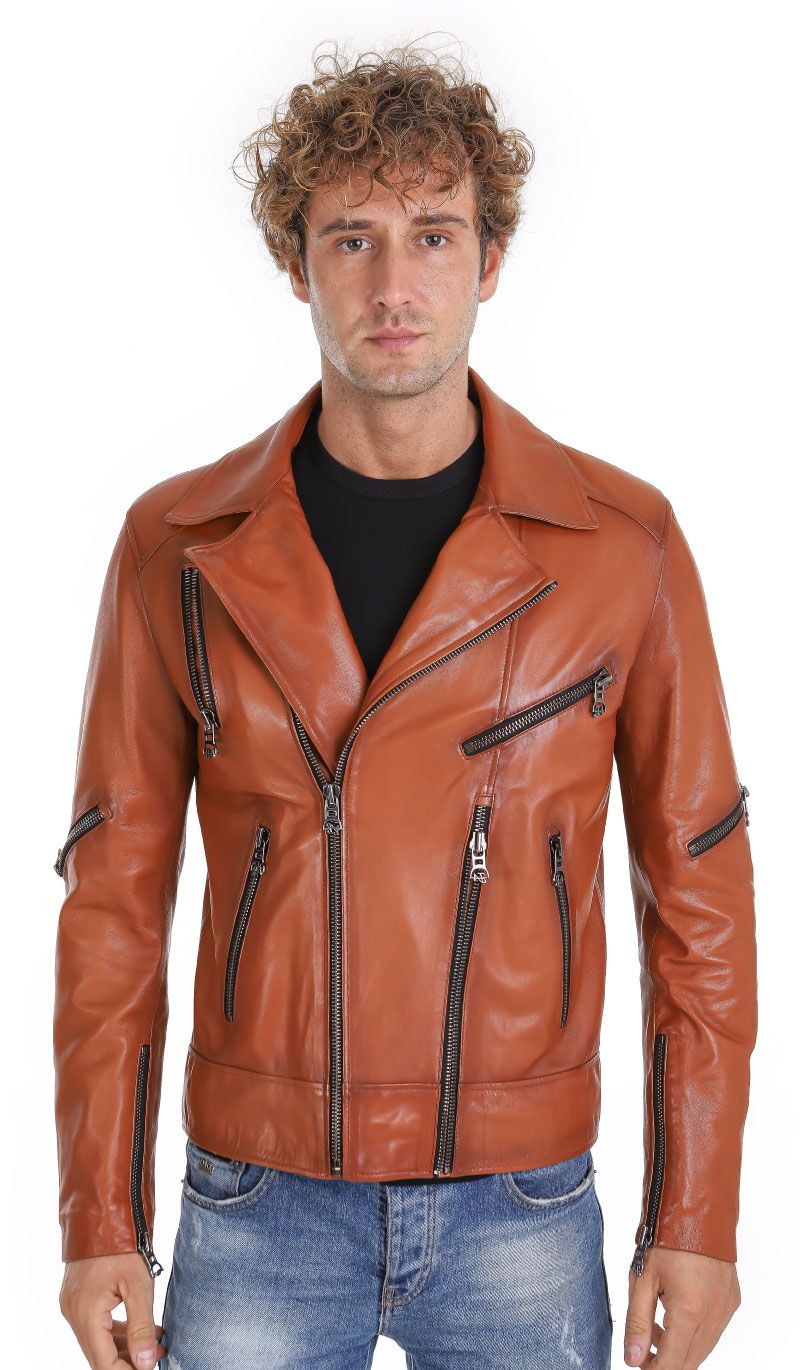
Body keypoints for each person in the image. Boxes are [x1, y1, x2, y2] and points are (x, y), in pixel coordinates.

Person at [54, 38, 757, 1370]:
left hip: (524, 1205)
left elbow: (701, 899)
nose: (393, 284)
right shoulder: (178, 548)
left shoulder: (622, 547)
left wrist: (698, 1217)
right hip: (254, 1203)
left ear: (490, 260)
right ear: (296, 263)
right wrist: (100, 1219)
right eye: (352, 239)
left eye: (433, 235)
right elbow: (112, 906)